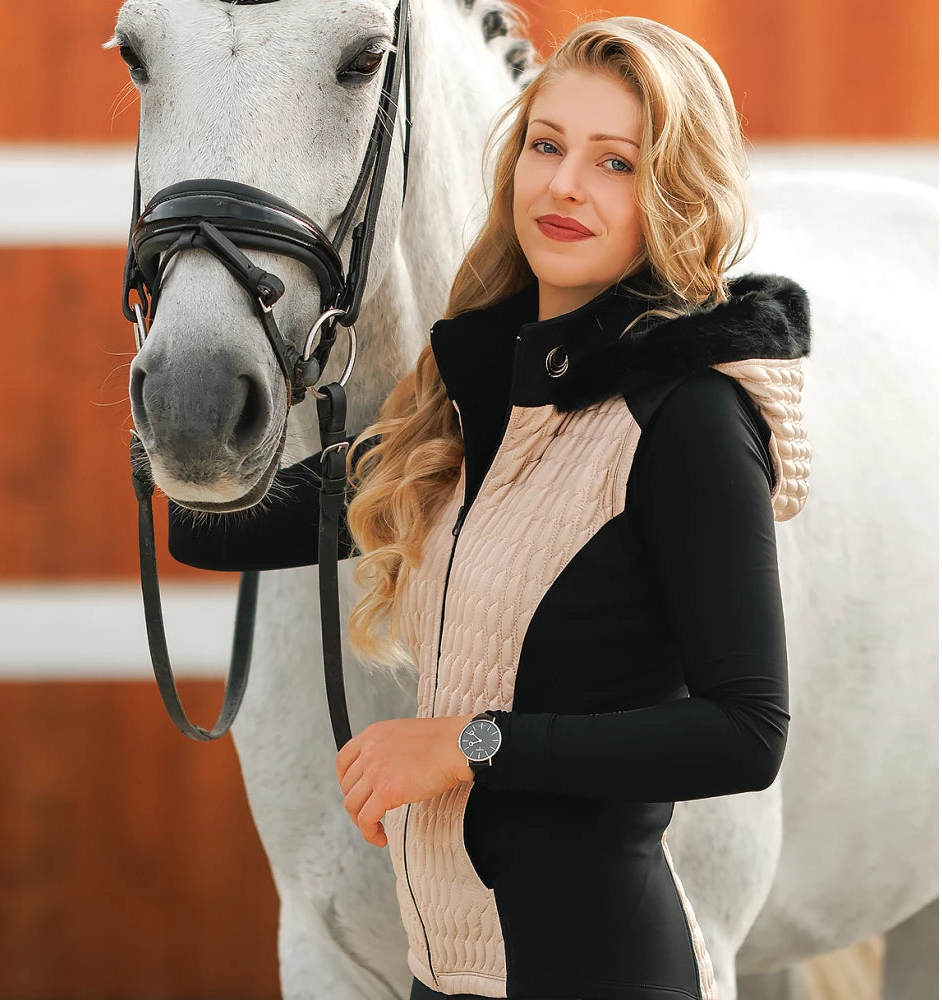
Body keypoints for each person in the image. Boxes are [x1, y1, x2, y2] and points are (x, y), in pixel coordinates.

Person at [169, 15, 811, 1000]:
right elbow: (211, 523)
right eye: (547, 146)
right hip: (447, 976)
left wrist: (466, 743)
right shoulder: (471, 411)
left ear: (674, 193)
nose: (563, 185)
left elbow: (746, 732)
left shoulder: (687, 419)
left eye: (615, 163)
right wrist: (182, 340)